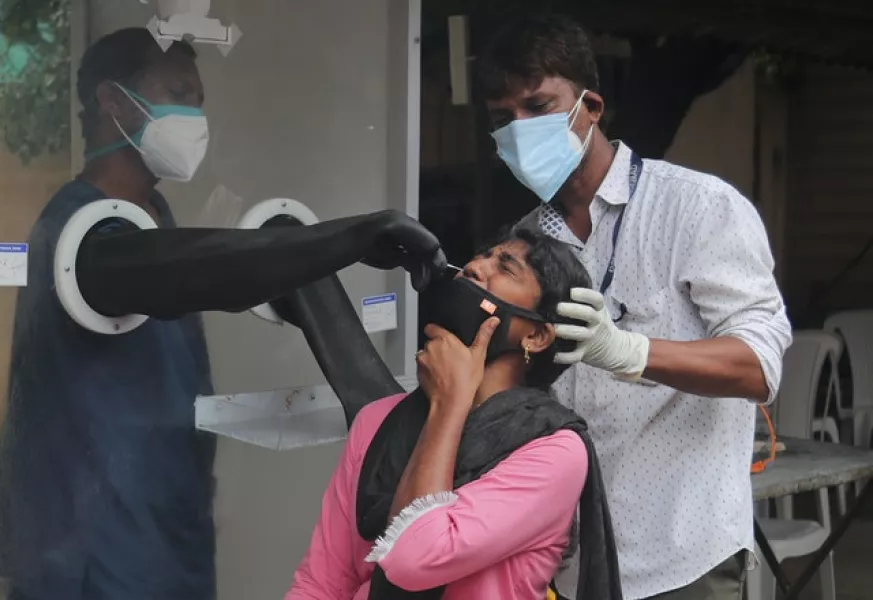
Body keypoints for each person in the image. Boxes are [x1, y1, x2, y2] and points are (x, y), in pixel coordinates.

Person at [0, 28, 444, 600]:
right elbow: (199, 271)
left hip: (168, 530)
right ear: (112, 101)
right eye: (177, 93)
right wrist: (350, 238)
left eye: (198, 101)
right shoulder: (82, 234)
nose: (192, 116)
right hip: (91, 548)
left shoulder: (153, 216)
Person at [477, 14, 792, 600]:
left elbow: (758, 366)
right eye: (503, 120)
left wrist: (626, 350)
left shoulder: (697, 209)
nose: (520, 130)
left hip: (677, 557)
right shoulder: (523, 242)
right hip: (564, 563)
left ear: (591, 106)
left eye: (538, 106)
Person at [286, 227, 623, 600]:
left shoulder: (553, 451)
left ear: (537, 336)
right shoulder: (378, 420)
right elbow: (322, 583)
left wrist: (449, 404)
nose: (476, 267)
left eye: (506, 267)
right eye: (482, 255)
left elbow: (413, 558)